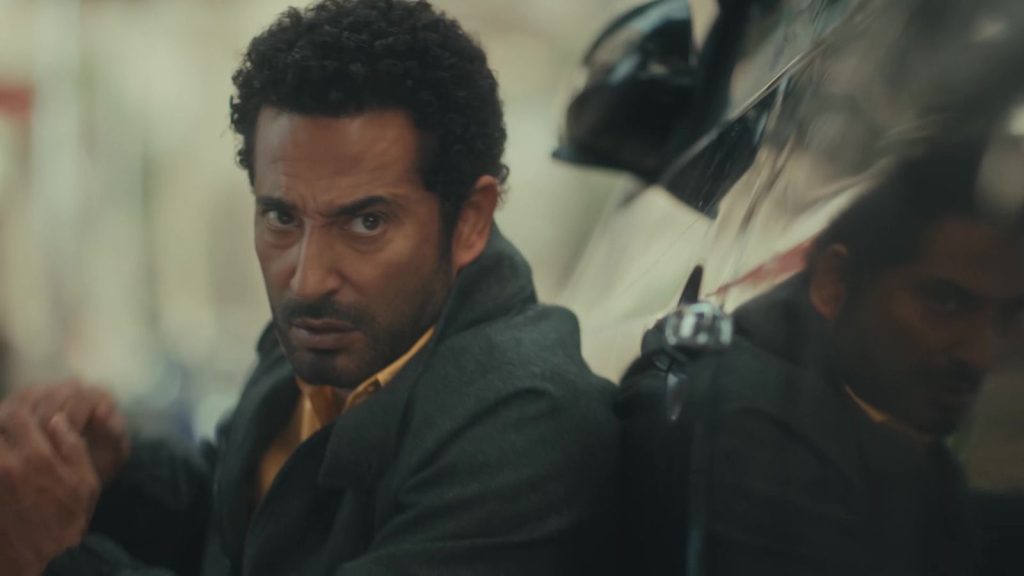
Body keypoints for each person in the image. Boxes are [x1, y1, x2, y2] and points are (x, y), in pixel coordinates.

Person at [0, 1, 619, 574]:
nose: (307, 277)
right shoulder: (326, 339)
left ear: (471, 221)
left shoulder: (527, 426)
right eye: (281, 217)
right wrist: (106, 476)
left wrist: (56, 559)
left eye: (366, 222)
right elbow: (231, 531)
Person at [617, 136, 1024, 575]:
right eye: (945, 302)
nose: (981, 356)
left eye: (1013, 316)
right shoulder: (756, 433)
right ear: (835, 282)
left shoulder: (865, 413)